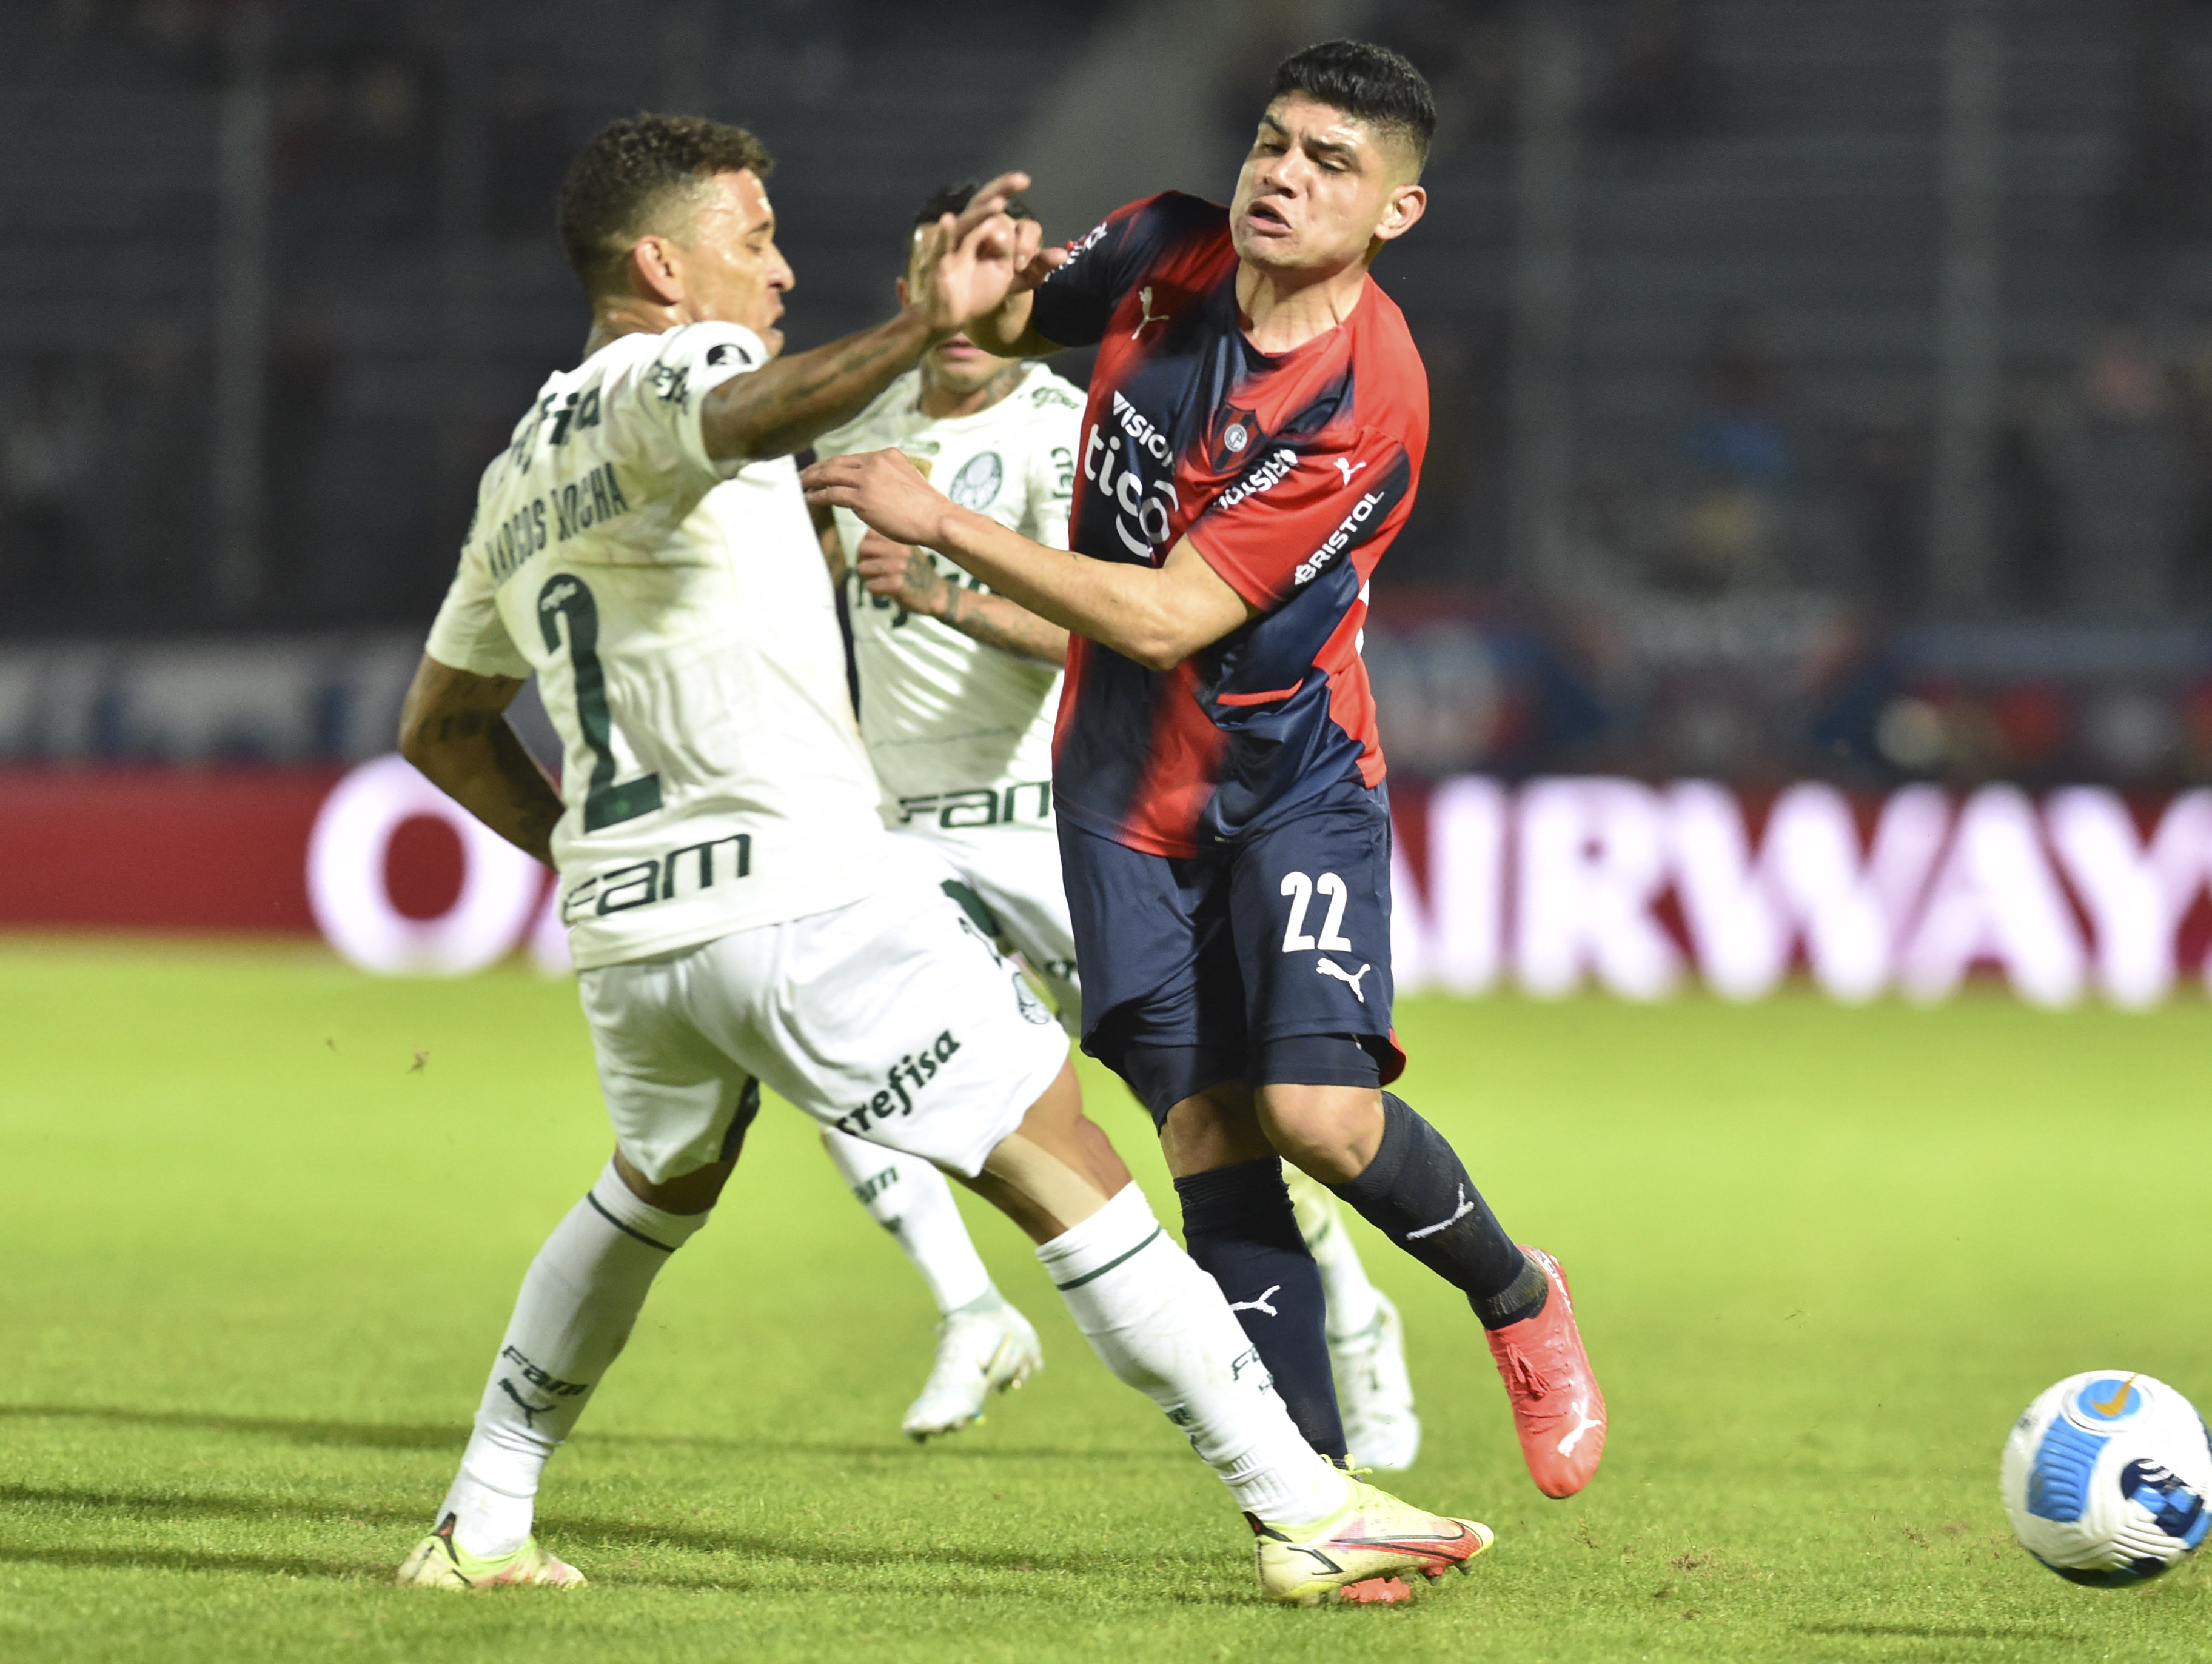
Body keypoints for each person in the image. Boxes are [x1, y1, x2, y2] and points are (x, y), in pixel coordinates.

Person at [390, 112, 1490, 1604]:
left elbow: (442, 727)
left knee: (652, 1188)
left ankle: (483, 1515)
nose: (779, 272)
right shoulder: (691, 367)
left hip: (630, 934)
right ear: (660, 266)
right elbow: (740, 415)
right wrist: (923, 321)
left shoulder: (521, 465)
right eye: (755, 240)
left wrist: (586, 856)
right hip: (804, 887)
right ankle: (1302, 1503)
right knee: (1072, 1162)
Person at [807, 41, 1605, 1499]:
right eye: (1274, 142)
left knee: (1318, 1116)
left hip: (1287, 771)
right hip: (1119, 790)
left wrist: (943, 523)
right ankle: (1315, 1496)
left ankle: (1513, 1292)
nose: (1283, 177)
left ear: (1394, 215)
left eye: (1330, 164)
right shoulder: (1168, 242)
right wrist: (965, 283)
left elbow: (1171, 615)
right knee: (1210, 1141)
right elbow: (1015, 309)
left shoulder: (1368, 395)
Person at [809, 179, 1424, 1466]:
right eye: (937, 280)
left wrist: (946, 590)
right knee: (843, 1041)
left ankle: (1352, 1317)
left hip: (1052, 810)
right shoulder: (865, 433)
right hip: (906, 826)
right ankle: (968, 1309)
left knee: (1215, 1106)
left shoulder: (1057, 425)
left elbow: (1124, 639)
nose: (969, 322)